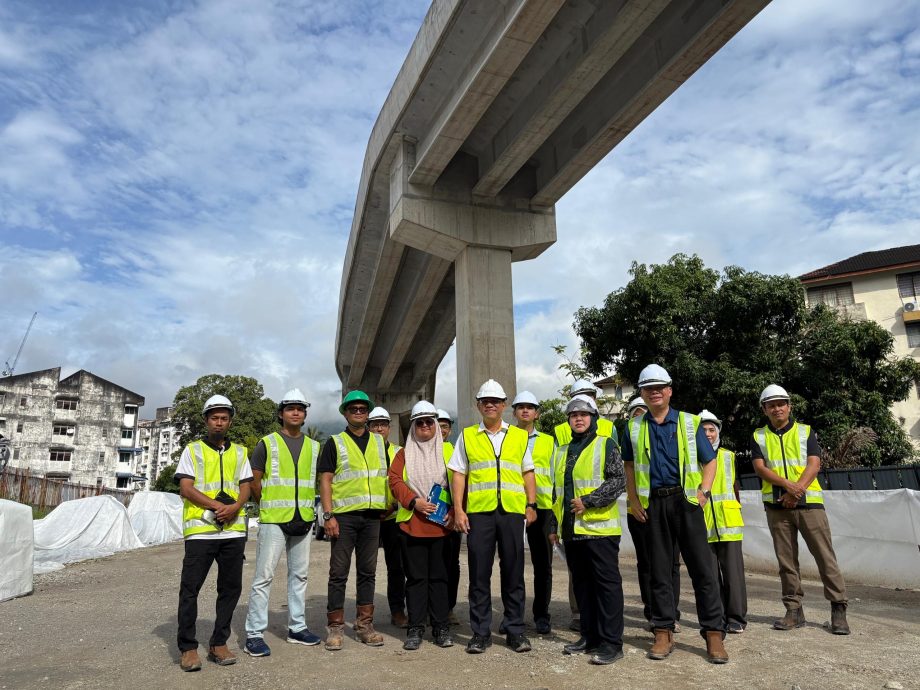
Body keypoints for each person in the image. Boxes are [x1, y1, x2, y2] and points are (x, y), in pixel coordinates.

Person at [622, 364, 728, 664]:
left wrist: (704, 492)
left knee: (702, 570)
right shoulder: (632, 427)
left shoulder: (690, 422)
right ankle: (663, 631)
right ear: (641, 393)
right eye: (648, 388)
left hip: (685, 503)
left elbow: (710, 461)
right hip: (652, 504)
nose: (654, 392)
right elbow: (629, 466)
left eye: (660, 387)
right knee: (659, 571)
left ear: (669, 390)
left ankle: (713, 634)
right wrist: (633, 499)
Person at [751, 385, 849, 635]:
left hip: (809, 504)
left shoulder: (805, 431)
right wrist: (787, 487)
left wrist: (797, 491)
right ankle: (793, 610)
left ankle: (838, 609)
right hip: (777, 506)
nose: (777, 408)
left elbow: (814, 464)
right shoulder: (758, 436)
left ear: (789, 406)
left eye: (781, 403)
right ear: (764, 409)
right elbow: (760, 468)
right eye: (771, 405)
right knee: (786, 562)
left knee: (825, 557)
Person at [449, 379, 537, 654]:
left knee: (513, 573)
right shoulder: (466, 436)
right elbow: (458, 474)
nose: (490, 405)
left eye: (495, 401)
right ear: (478, 406)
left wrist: (531, 504)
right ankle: (480, 632)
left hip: (511, 512)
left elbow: (527, 472)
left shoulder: (519, 436)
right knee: (479, 574)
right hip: (480, 514)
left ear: (503, 406)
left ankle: (514, 631)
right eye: (485, 401)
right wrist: (459, 509)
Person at [174, 395, 253, 672]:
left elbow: (246, 486)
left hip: (232, 532)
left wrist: (235, 507)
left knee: (230, 588)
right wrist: (217, 505)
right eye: (214, 418)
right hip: (201, 532)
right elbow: (186, 487)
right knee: (190, 589)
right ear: (206, 421)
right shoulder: (193, 450)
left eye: (224, 418)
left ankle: (219, 643)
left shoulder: (240, 452)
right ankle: (188, 648)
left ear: (230, 421)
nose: (219, 422)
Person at [243, 389, 322, 657]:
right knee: (263, 577)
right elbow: (255, 477)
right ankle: (254, 633)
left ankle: (297, 628)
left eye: (300, 408)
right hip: (274, 519)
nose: (296, 412)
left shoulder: (314, 446)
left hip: (303, 518)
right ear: (281, 413)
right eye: (290, 408)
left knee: (299, 575)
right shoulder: (268, 443)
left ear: (305, 414)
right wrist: (265, 502)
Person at [549, 395, 626, 665]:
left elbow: (618, 481)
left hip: (600, 529)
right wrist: (553, 525)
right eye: (573, 415)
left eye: (583, 414)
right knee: (582, 586)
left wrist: (589, 501)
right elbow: (555, 492)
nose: (578, 418)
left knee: (606, 586)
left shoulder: (606, 444)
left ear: (593, 418)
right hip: (571, 530)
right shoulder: (561, 451)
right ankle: (590, 636)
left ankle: (612, 643)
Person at [319, 390, 388, 650]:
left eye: (362, 408)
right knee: (338, 573)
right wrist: (329, 515)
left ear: (368, 412)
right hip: (344, 518)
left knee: (367, 572)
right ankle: (335, 628)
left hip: (372, 517)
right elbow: (325, 479)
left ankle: (364, 625)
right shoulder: (334, 442)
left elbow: (388, 475)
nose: (358, 412)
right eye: (353, 408)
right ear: (345, 413)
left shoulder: (380, 443)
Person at [388, 401, 455, 650]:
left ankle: (440, 627)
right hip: (412, 524)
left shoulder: (449, 451)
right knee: (415, 579)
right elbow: (394, 480)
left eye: (429, 421)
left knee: (439, 578)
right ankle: (415, 628)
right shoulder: (403, 454)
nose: (425, 426)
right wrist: (414, 501)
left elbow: (462, 481)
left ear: (436, 425)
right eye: (420, 422)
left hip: (442, 524)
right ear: (413, 426)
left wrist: (455, 510)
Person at [624, 397, 683, 633]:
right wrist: (635, 503)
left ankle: (672, 612)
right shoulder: (629, 437)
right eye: (634, 413)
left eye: (642, 412)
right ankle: (653, 611)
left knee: (672, 564)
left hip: (668, 507)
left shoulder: (666, 434)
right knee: (647, 563)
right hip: (639, 511)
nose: (639, 416)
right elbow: (628, 470)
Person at [699, 409, 747, 634]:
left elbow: (735, 488)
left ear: (718, 432)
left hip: (728, 520)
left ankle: (736, 618)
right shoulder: (690, 457)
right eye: (703, 430)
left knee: (733, 575)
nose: (708, 434)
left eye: (711, 429)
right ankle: (716, 618)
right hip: (703, 522)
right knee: (709, 575)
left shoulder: (729, 456)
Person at [511, 390, 556, 634]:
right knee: (513, 563)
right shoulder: (507, 438)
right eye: (521, 407)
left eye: (530, 407)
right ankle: (514, 614)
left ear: (537, 413)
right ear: (514, 412)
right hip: (514, 507)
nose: (525, 410)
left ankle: (542, 614)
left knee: (542, 565)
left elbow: (556, 475)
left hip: (543, 508)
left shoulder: (549, 441)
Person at [368, 406, 408, 628]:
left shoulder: (400, 452)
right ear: (369, 427)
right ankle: (364, 615)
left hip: (394, 516)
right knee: (367, 568)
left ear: (389, 428)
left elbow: (407, 482)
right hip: (370, 517)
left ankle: (397, 611)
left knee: (397, 567)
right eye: (375, 424)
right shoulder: (362, 452)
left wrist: (393, 505)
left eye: (383, 424)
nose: (379, 428)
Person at [438, 408, 462, 626]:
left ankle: (448, 608)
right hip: (429, 516)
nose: (441, 430)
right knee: (429, 564)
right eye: (437, 425)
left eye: (444, 426)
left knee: (451, 564)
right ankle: (430, 607)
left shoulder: (456, 451)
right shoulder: (420, 450)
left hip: (452, 516)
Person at [553, 379, 617, 447]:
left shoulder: (609, 427)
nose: (583, 399)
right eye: (578, 396)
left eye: (587, 396)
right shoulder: (560, 431)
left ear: (594, 398)